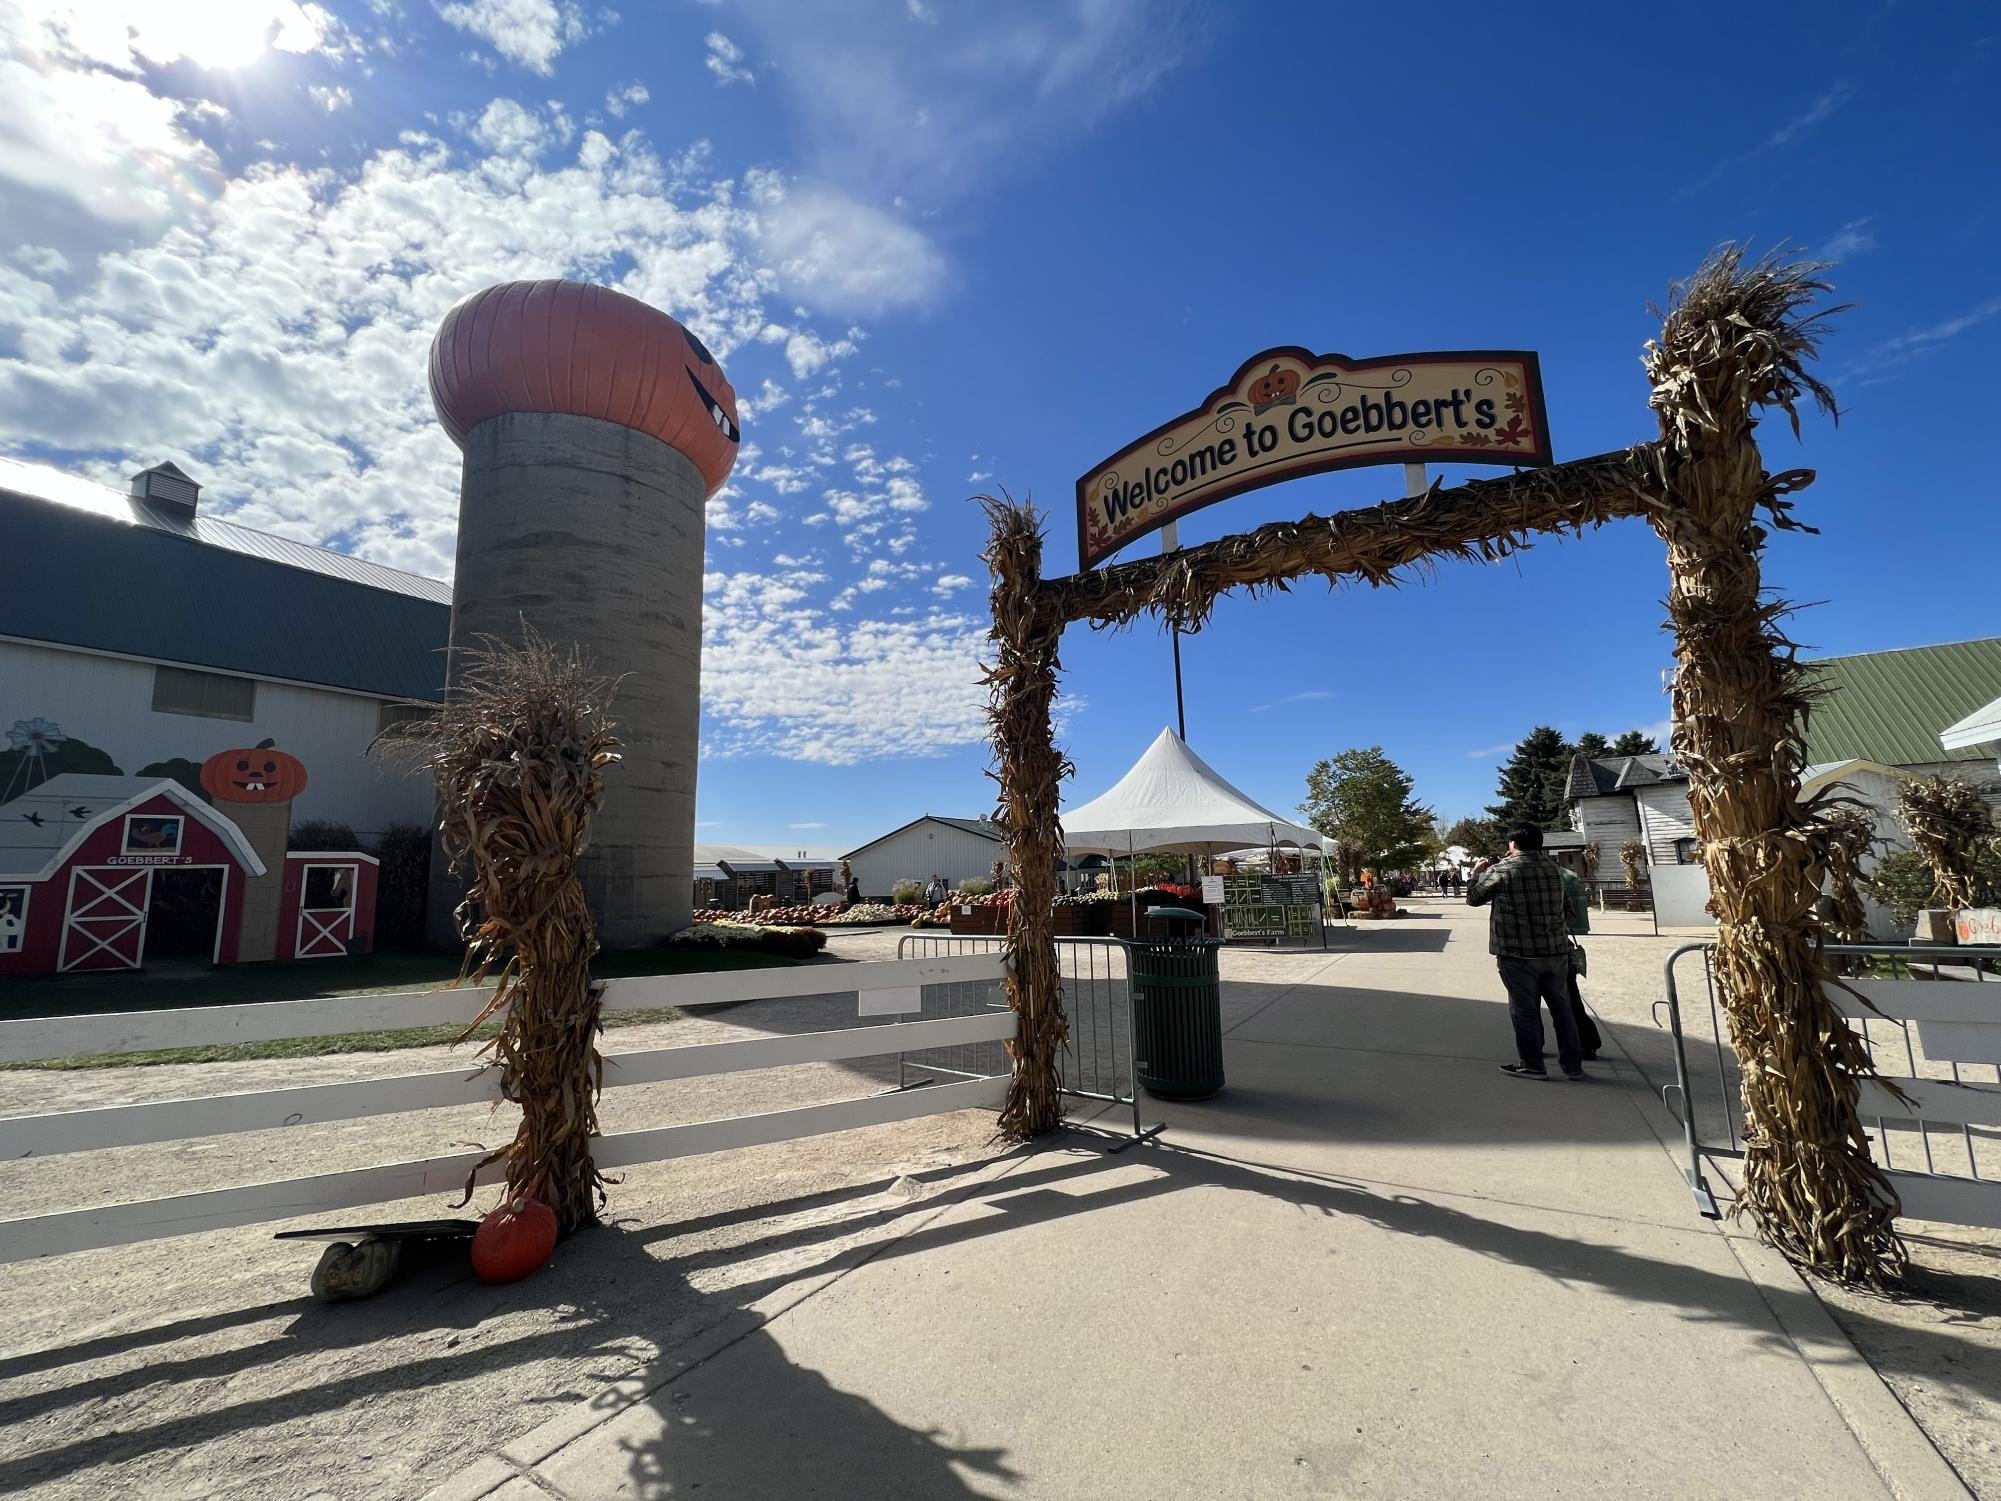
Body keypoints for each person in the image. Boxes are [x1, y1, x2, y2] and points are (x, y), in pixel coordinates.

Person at [1467, 824, 1586, 1081]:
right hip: (1555, 951)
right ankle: (1573, 1065)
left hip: (1517, 952)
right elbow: (1568, 908)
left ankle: (1532, 1063)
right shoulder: (1556, 871)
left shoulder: (1502, 869)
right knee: (1562, 1009)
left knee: (1524, 1010)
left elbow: (1474, 898)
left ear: (1514, 844)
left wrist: (1476, 873)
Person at [1558, 864, 1604, 1060]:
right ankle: (1587, 1044)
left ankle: (1532, 1050)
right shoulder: (1557, 875)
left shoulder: (1508, 873)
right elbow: (1570, 914)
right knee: (1570, 1001)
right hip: (1559, 946)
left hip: (1525, 950)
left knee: (1527, 1007)